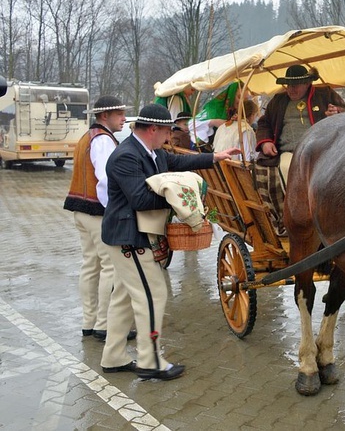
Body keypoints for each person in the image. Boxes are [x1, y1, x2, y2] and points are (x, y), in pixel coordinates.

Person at [99, 104, 239, 380]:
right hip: (129, 236)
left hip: (131, 235)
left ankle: (113, 356)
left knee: (125, 297)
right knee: (152, 295)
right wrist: (178, 195)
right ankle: (150, 361)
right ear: (153, 129)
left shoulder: (150, 151)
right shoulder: (125, 156)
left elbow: (177, 163)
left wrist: (215, 157)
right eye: (166, 131)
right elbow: (139, 199)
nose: (168, 136)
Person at [63, 96, 136, 342]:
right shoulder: (103, 140)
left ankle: (89, 321)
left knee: (90, 265)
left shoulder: (88, 136)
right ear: (105, 116)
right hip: (96, 211)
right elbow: (106, 179)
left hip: (80, 210)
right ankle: (104, 325)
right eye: (119, 114)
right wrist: (114, 209)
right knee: (110, 267)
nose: (124, 118)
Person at [254, 65, 345, 235]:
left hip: (323, 151)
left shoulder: (325, 94)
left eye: (295, 85)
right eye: (288, 85)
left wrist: (338, 112)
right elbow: (264, 123)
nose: (291, 89)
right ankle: (294, 217)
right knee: (286, 170)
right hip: (289, 153)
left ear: (307, 83)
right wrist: (265, 142)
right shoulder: (278, 101)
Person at [212, 98, 259, 162]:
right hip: (232, 169)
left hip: (219, 167)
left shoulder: (222, 126)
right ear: (252, 115)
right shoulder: (246, 130)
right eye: (256, 115)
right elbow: (246, 158)